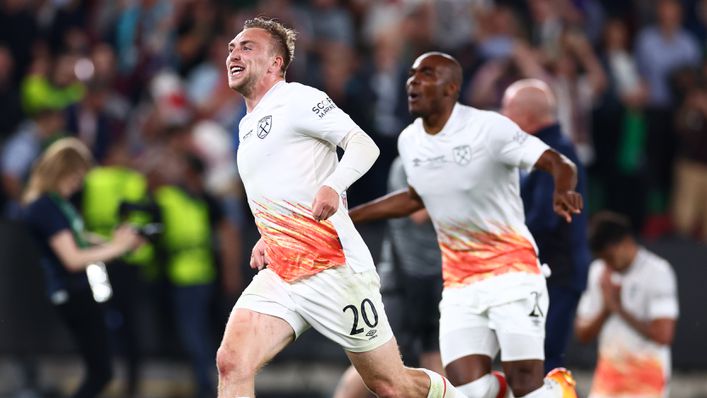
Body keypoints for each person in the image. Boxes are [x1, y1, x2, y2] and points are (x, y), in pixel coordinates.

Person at [216, 17, 463, 398]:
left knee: (390, 385)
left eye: (247, 46)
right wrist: (268, 235)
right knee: (232, 362)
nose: (234, 52)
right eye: (232, 47)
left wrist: (334, 185)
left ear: (275, 63)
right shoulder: (248, 125)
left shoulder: (298, 99)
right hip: (283, 269)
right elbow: (287, 184)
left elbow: (364, 145)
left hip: (333, 267)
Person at [348, 52, 581, 398]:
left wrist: (563, 188)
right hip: (460, 283)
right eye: (412, 74)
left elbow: (558, 162)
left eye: (426, 74)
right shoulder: (409, 141)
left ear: (451, 88)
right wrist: (348, 216)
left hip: (512, 274)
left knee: (525, 385)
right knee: (468, 391)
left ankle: (557, 390)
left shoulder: (488, 128)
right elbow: (416, 197)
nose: (413, 81)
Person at [21, 138, 143, 398]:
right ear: (62, 171)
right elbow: (73, 258)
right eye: (75, 176)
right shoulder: (46, 206)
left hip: (78, 292)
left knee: (100, 371)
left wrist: (119, 242)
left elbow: (79, 236)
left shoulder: (58, 204)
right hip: (72, 293)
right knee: (101, 373)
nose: (78, 183)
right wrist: (119, 248)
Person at [333, 157, 444, 398]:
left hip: (438, 278)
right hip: (402, 280)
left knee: (435, 357)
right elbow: (418, 213)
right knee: (376, 364)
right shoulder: (407, 163)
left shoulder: (449, 162)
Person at [501, 79, 591, 372]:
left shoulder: (554, 155)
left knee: (543, 360)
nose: (502, 118)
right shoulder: (541, 151)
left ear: (525, 117)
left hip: (557, 272)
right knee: (535, 360)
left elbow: (544, 219)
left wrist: (498, 243)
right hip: (549, 271)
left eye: (506, 110)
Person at [155, 154, 242, 398]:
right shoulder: (194, 199)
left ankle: (206, 384)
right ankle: (208, 382)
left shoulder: (201, 200)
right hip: (198, 274)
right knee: (200, 331)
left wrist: (230, 272)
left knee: (195, 331)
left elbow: (228, 235)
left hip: (195, 276)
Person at [575, 212, 679, 398]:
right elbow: (582, 335)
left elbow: (664, 335)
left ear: (625, 242)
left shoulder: (658, 272)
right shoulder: (599, 272)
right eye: (602, 259)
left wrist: (618, 308)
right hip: (607, 382)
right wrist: (606, 309)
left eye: (609, 257)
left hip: (647, 381)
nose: (608, 264)